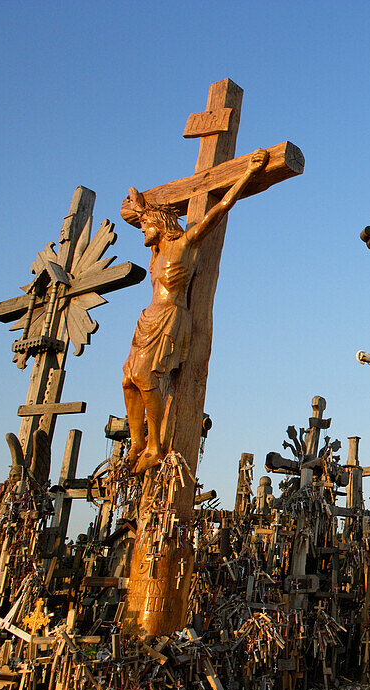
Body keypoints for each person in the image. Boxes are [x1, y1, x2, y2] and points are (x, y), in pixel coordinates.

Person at [121, 149, 269, 474]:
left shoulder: (184, 244)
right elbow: (144, 214)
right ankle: (136, 442)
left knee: (145, 377)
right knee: (128, 380)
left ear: (159, 225)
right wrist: (140, 206)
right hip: (147, 318)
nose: (142, 230)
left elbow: (220, 208)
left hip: (170, 316)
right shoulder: (157, 250)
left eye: (145, 225)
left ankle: (155, 447)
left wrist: (248, 173)